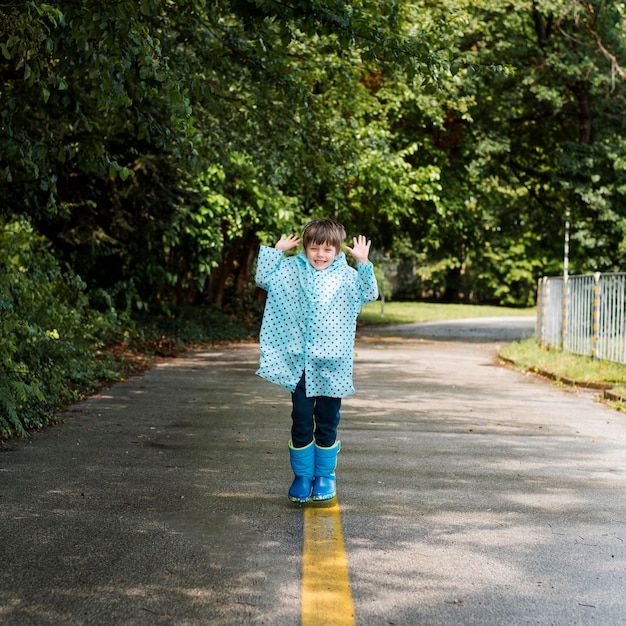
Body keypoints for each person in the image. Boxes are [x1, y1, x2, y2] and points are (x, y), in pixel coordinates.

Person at [255, 218, 379, 503]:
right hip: (299, 364)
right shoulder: (291, 270)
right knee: (300, 420)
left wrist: (363, 262)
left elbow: (369, 293)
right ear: (306, 248)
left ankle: (324, 476)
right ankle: (302, 476)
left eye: (327, 249)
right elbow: (264, 279)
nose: (320, 255)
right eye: (314, 248)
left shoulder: (347, 276)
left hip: (333, 364)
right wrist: (276, 251)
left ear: (337, 251)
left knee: (327, 421)